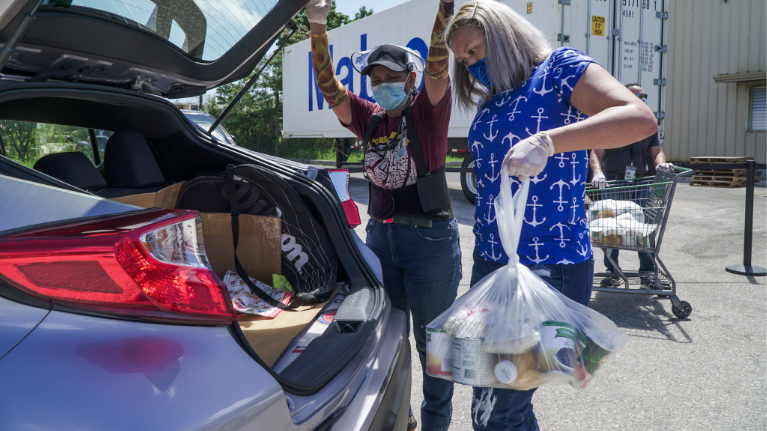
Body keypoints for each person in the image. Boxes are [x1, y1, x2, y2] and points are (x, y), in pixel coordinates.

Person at [444, 1, 658, 430]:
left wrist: (548, 141)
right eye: (462, 59)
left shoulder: (558, 68)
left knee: (500, 411)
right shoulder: (495, 99)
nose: (469, 64)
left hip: (548, 265)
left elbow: (639, 119)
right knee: (494, 399)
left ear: (502, 37)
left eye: (474, 49)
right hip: (493, 265)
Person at [305, 1, 461, 430]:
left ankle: (435, 423)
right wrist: (317, 25)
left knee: (434, 343)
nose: (384, 85)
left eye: (393, 78)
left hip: (429, 241)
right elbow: (330, 88)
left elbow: (437, 62)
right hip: (381, 240)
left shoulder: (427, 111)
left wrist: (446, 8)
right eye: (377, 80)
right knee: (386, 340)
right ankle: (402, 416)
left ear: (410, 79)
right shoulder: (369, 119)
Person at [589, 83, 673, 289]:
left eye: (643, 96)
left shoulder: (648, 124)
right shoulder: (610, 122)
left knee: (644, 229)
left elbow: (656, 151)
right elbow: (595, 153)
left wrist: (661, 163)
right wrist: (598, 172)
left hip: (640, 181)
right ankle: (612, 272)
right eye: (637, 95)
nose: (641, 99)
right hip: (614, 181)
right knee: (611, 228)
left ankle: (647, 273)